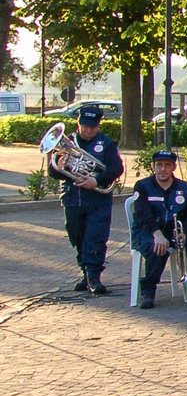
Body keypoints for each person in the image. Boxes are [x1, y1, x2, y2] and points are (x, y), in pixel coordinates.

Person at [47, 105, 123, 295]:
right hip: (72, 198)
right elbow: (53, 172)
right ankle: (85, 272)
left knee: (95, 238)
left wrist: (96, 180)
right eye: (85, 126)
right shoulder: (68, 142)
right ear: (78, 123)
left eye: (93, 127)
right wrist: (59, 165)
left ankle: (94, 277)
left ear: (99, 125)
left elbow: (116, 169)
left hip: (97, 201)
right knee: (77, 237)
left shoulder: (106, 144)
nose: (88, 130)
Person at [129, 149, 187, 308]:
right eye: (159, 165)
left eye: (167, 165)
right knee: (158, 248)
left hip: (175, 231)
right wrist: (157, 234)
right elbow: (142, 215)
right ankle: (148, 290)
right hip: (148, 232)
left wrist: (185, 233)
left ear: (173, 167)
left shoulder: (185, 187)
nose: (163, 169)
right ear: (153, 166)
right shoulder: (143, 186)